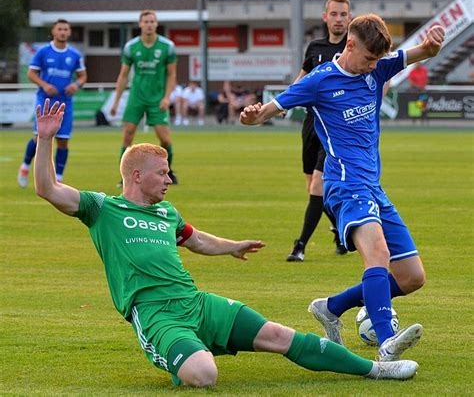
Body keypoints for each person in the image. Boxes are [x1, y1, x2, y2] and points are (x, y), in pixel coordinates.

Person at [33, 98, 420, 387]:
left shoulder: (168, 214)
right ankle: (181, 352)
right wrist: (45, 139)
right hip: (157, 316)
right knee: (204, 374)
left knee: (278, 335)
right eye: (163, 174)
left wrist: (233, 245)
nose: (169, 180)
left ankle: (376, 369)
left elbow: (197, 240)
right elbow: (48, 188)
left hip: (197, 303)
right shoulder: (102, 209)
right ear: (136, 176)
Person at [241, 15, 445, 361]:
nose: (372, 68)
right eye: (368, 59)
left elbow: (422, 51)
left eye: (377, 61)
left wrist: (433, 43)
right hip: (344, 185)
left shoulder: (378, 67)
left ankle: (331, 307)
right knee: (378, 255)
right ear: (350, 45)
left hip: (373, 188)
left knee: (412, 277)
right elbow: (271, 110)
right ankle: (386, 343)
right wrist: (252, 115)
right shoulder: (320, 82)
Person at [287, 0, 351, 262]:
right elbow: (300, 81)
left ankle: (300, 246)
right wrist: (280, 102)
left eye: (343, 14)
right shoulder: (314, 47)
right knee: (315, 190)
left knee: (317, 185)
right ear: (325, 17)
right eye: (333, 14)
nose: (338, 19)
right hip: (311, 125)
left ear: (350, 17)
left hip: (335, 129)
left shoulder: (354, 47)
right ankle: (340, 231)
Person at [110, 9, 178, 185]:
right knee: (127, 135)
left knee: (164, 139)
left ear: (156, 24)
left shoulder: (167, 46)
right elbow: (123, 75)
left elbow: (171, 74)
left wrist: (166, 97)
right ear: (140, 24)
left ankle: (168, 172)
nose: (149, 24)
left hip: (157, 98)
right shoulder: (131, 47)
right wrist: (116, 101)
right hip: (136, 97)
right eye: (146, 21)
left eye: (152, 21)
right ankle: (124, 178)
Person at [17, 19, 87, 188]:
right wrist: (45, 85)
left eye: (66, 29)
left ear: (69, 32)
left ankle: (59, 178)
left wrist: (75, 85)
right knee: (39, 138)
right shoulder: (43, 52)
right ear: (54, 32)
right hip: (45, 102)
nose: (63, 32)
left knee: (63, 141)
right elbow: (31, 73)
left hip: (65, 104)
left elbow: (83, 76)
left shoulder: (75, 55)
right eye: (60, 29)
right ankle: (25, 167)